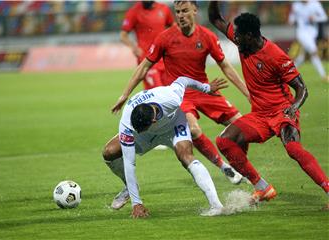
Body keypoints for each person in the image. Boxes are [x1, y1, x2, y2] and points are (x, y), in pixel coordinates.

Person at [112, 1, 250, 201]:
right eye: (177, 12)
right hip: (179, 94)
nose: (181, 15)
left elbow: (226, 67)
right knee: (193, 130)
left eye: (185, 11)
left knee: (243, 126)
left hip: (203, 88)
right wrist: (125, 94)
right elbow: (142, 66)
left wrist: (246, 92)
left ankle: (240, 166)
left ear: (195, 10)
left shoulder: (207, 36)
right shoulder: (164, 37)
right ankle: (223, 165)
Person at [208, 1, 329, 206]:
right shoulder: (242, 42)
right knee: (224, 141)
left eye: (239, 35)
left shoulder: (276, 56)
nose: (234, 37)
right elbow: (215, 19)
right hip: (260, 116)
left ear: (250, 36)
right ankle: (262, 187)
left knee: (293, 149)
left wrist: (293, 108)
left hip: (282, 111)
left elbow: (302, 89)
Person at [103, 76, 229, 218]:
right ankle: (129, 187)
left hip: (173, 124)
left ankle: (216, 205)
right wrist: (136, 203)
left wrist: (206, 88)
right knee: (109, 152)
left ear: (154, 120)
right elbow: (129, 162)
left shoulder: (171, 97)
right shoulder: (127, 122)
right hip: (145, 135)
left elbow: (183, 80)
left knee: (186, 156)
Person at [120, 1, 174, 90]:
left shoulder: (164, 9)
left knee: (168, 93)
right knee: (156, 93)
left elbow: (173, 27)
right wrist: (134, 47)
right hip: (147, 60)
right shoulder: (134, 12)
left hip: (164, 59)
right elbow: (123, 35)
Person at [288, 0, 329, 83]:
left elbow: (324, 17)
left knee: (302, 57)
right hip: (301, 32)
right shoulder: (296, 5)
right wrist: (291, 18)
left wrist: (315, 18)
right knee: (313, 50)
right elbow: (291, 18)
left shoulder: (315, 3)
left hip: (313, 32)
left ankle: (287, 72)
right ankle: (324, 76)